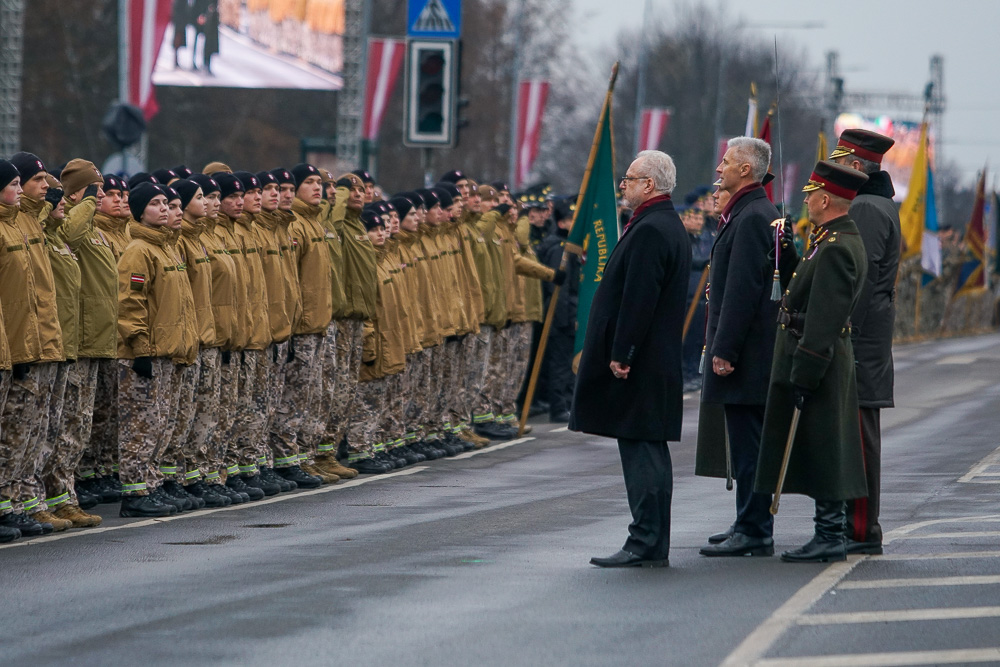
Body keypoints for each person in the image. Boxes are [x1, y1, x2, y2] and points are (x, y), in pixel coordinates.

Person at [571, 150, 690, 568]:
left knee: (642, 451)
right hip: (653, 359)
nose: (623, 185)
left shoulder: (652, 229)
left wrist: (622, 353)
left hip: (642, 361)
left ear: (650, 186)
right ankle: (651, 540)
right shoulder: (659, 223)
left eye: (631, 178)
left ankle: (644, 540)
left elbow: (639, 300)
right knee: (648, 449)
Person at [755, 161, 870, 563]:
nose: (805, 201)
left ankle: (829, 535)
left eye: (809, 195)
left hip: (818, 359)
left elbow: (824, 319)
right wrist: (787, 254)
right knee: (821, 445)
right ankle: (828, 533)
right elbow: (802, 292)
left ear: (824, 199)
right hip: (813, 356)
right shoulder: (828, 239)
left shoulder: (837, 248)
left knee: (826, 448)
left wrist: (804, 372)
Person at [696, 137, 781, 558]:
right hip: (751, 352)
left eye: (726, 162)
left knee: (749, 446)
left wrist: (725, 349)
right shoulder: (753, 212)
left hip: (746, 355)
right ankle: (747, 520)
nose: (719, 170)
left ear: (745, 170)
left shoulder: (750, 217)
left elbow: (743, 291)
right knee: (746, 443)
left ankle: (754, 528)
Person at [829, 129, 900, 555]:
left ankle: (860, 527)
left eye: (839, 163)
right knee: (853, 431)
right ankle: (853, 523)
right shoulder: (872, 203)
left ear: (856, 167)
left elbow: (862, 276)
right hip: (865, 337)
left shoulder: (868, 208)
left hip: (860, 340)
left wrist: (840, 330)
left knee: (858, 434)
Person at [536, 198, 580, 422]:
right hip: (560, 317)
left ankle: (567, 403)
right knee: (560, 365)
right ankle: (558, 407)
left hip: (568, 313)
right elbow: (558, 290)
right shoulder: (559, 250)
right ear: (562, 224)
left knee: (567, 363)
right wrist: (564, 319)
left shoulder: (568, 246)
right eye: (572, 220)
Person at [680, 203, 714, 392]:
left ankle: (693, 372)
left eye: (700, 219)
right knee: (685, 338)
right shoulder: (684, 239)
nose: (698, 222)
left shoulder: (701, 239)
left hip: (700, 298)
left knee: (696, 339)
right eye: (693, 218)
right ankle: (685, 373)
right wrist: (705, 261)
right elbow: (690, 260)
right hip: (687, 297)